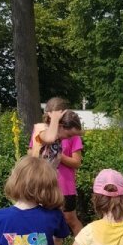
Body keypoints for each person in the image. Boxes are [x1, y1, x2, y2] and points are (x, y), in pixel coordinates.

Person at [29, 101, 84, 236]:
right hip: (43, 184)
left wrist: (59, 156)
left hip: (63, 185)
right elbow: (33, 150)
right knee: (47, 221)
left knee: (67, 219)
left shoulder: (67, 137)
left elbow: (77, 162)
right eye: (69, 135)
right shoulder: (42, 130)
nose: (69, 138)